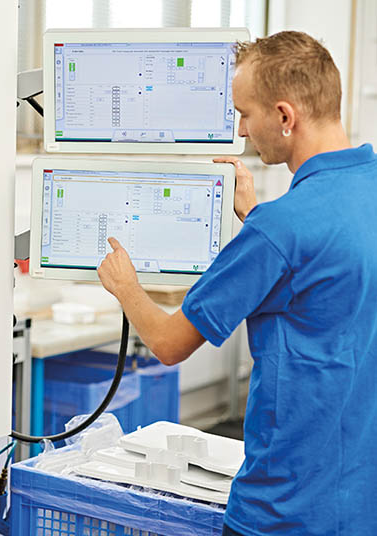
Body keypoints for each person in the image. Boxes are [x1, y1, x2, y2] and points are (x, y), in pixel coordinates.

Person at [97, 31, 377, 535]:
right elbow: (324, 273)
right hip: (360, 502)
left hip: (285, 510)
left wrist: (126, 286)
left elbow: (168, 343)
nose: (242, 131)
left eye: (245, 114)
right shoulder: (360, 191)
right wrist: (256, 218)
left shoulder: (280, 228)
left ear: (285, 116)